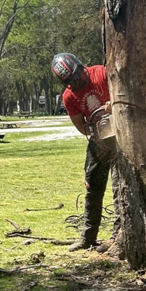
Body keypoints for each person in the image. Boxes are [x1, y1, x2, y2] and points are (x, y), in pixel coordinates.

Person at [52, 52, 120, 253]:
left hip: (120, 135)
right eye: (71, 82)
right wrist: (93, 127)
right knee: (93, 186)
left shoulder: (101, 73)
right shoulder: (69, 97)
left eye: (77, 76)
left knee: (119, 185)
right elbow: (81, 127)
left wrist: (112, 105)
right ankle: (88, 237)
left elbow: (123, 92)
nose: (77, 82)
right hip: (99, 140)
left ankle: (118, 235)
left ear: (82, 67)